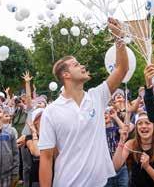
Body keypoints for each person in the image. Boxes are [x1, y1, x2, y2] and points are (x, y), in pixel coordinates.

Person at [38, 17, 129, 187]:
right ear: (66, 75)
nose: (83, 66)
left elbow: (122, 69)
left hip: (101, 183)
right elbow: (46, 157)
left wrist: (119, 38)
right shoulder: (51, 111)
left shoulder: (97, 96)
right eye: (76, 65)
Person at [112, 112, 154, 187]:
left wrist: (147, 167)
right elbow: (115, 166)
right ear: (136, 128)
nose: (143, 126)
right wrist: (121, 141)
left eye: (147, 123)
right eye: (140, 123)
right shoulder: (131, 144)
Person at [25, 108, 45, 187]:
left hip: (53, 172)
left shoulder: (52, 136)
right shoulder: (29, 137)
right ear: (35, 121)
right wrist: (34, 132)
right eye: (42, 117)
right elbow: (36, 152)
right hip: (36, 175)